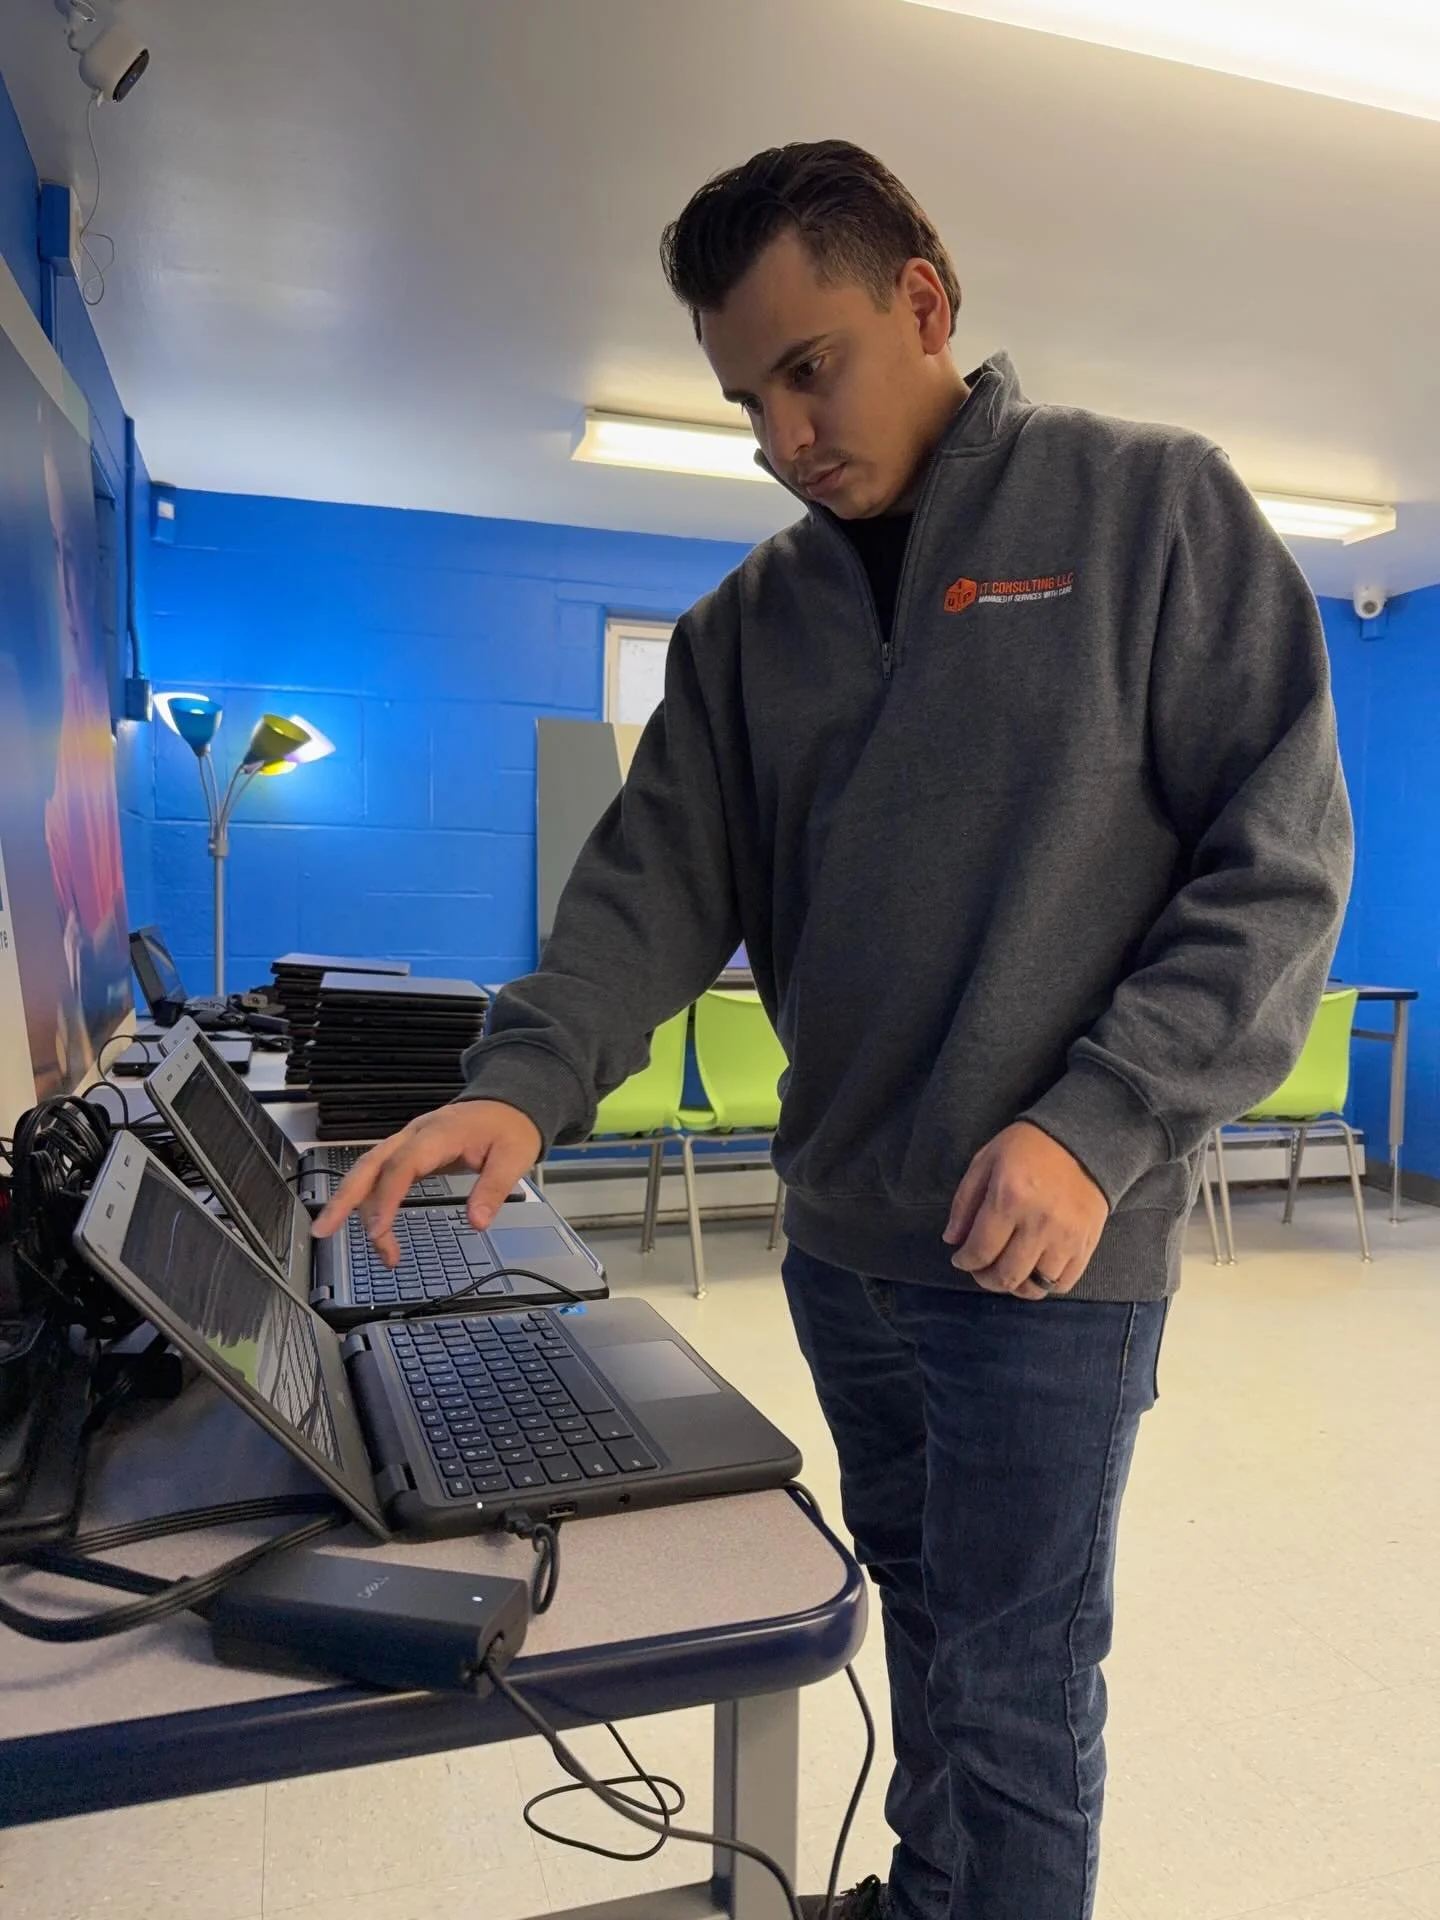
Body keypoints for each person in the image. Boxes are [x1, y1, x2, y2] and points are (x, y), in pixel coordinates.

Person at [317, 141, 1353, 1920]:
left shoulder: (1149, 511)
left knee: (1017, 1686)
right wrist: (525, 1086)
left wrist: (1099, 1124)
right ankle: (938, 1892)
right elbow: (649, 887)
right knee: (927, 1621)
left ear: (923, 303)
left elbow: (1282, 867)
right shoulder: (747, 628)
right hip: (849, 1248)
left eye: (813, 369)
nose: (785, 437)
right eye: (747, 400)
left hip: (1047, 1256)